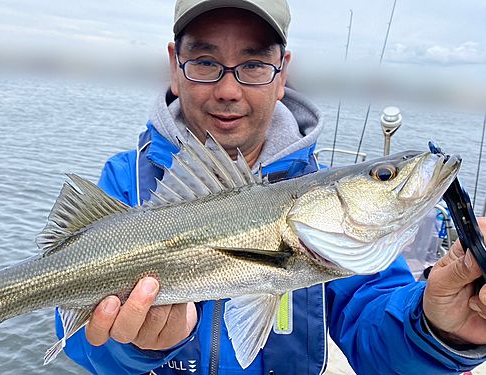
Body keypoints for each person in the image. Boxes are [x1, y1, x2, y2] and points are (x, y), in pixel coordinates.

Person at [56, 0, 486, 373]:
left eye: (255, 64)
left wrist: (440, 327)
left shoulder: (330, 216)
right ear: (174, 65)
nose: (228, 90)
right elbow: (73, 333)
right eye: (205, 62)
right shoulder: (126, 181)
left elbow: (376, 338)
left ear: (282, 74)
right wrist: (129, 347)